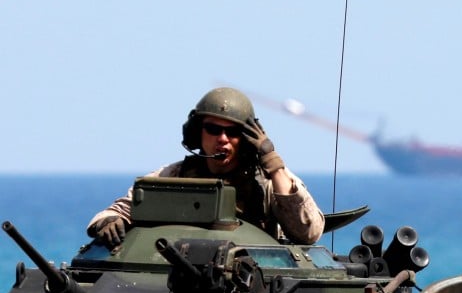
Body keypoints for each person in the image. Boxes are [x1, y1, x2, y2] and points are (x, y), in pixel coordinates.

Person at [87, 87, 324, 246]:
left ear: (247, 138)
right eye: (213, 129)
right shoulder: (174, 176)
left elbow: (309, 233)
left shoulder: (269, 181)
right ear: (197, 134)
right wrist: (109, 222)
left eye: (232, 132)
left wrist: (272, 161)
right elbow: (118, 211)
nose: (222, 139)